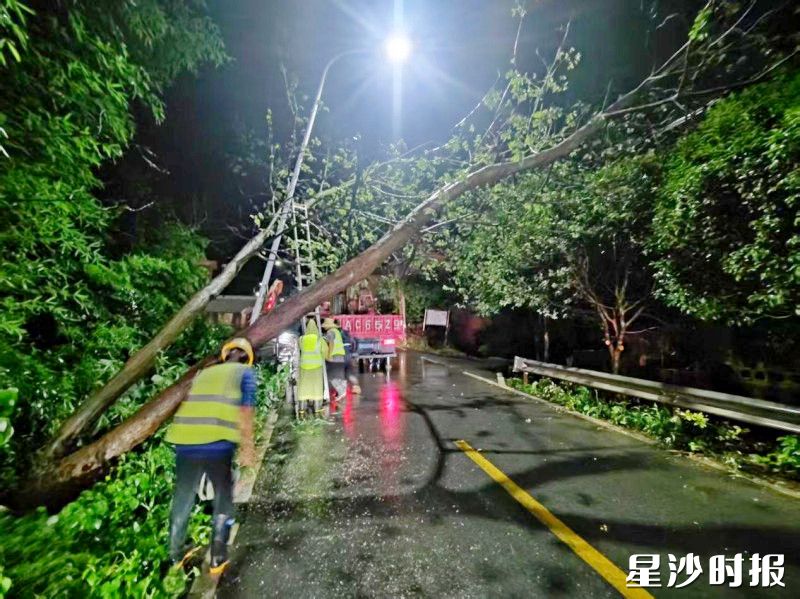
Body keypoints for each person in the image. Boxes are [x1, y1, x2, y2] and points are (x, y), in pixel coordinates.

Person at [165, 337, 257, 575]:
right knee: (223, 497)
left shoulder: (204, 373)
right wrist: (248, 451)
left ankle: (175, 554)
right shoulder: (245, 375)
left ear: (226, 355)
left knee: (183, 496)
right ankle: (218, 556)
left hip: (185, 439)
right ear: (247, 360)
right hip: (217, 441)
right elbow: (245, 413)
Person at [296, 316, 328, 416]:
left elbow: (300, 349)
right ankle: (317, 409)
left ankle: (302, 409)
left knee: (303, 388)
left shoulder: (301, 339)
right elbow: (325, 352)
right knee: (316, 388)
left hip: (304, 367)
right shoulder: (319, 340)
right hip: (316, 368)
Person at [322, 317, 348, 399]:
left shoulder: (330, 332)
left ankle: (341, 391)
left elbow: (331, 343)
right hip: (341, 355)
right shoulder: (337, 331)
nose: (324, 327)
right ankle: (343, 389)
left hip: (335, 355)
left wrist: (329, 355)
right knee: (339, 374)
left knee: (331, 375)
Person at [336, 318, 361, 395]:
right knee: (349, 372)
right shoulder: (347, 333)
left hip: (340, 355)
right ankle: (356, 388)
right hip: (348, 355)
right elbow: (356, 341)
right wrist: (354, 351)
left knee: (340, 373)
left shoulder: (336, 333)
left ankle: (341, 391)